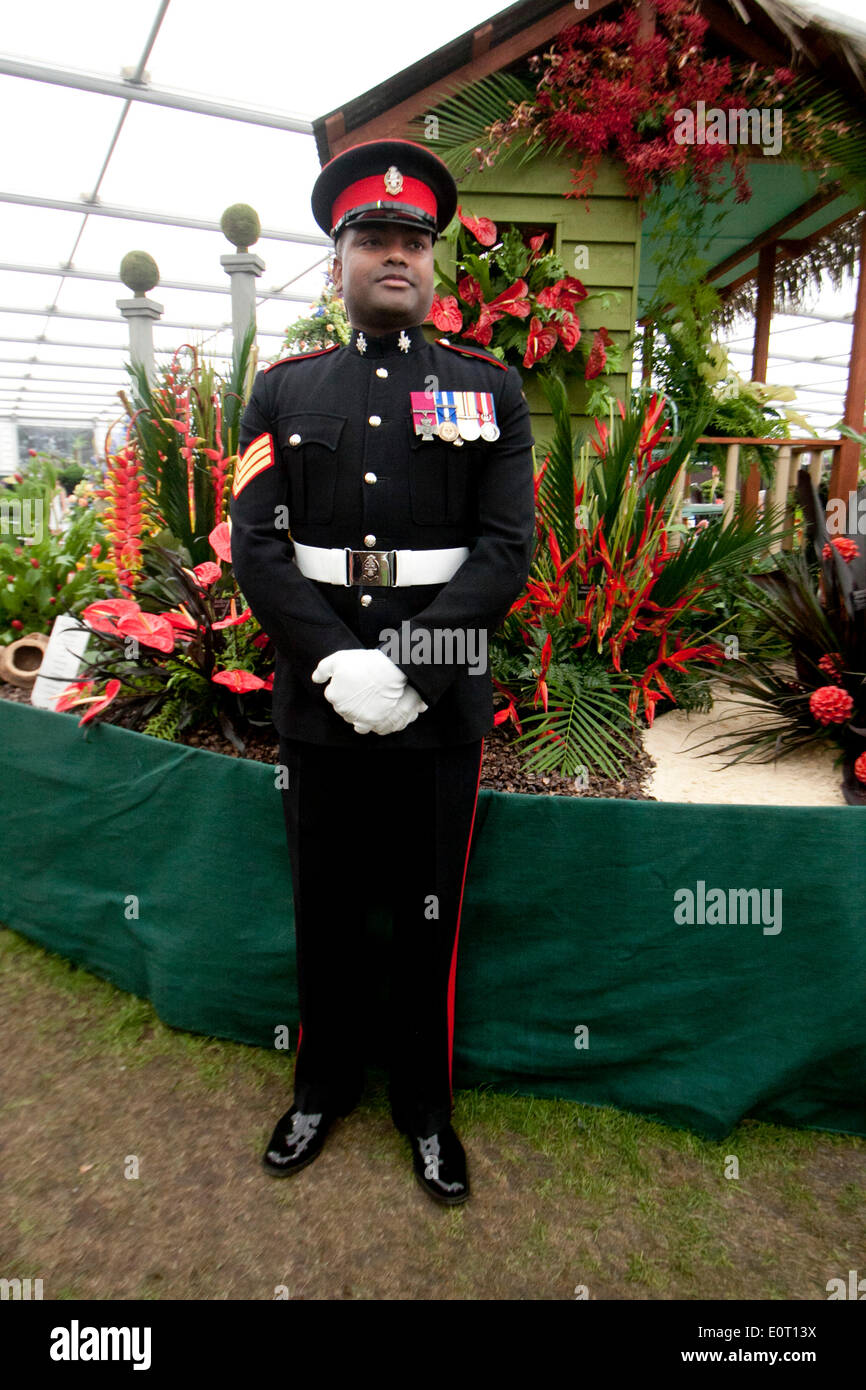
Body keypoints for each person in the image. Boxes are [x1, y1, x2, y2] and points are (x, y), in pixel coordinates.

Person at [229, 138, 536, 1205]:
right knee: (323, 903)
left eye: (411, 238)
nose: (393, 253)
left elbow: (503, 550)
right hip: (320, 705)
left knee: (424, 914)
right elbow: (258, 544)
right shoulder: (281, 391)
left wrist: (401, 667)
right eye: (372, 238)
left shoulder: (488, 392)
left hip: (436, 701)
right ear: (339, 261)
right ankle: (318, 1088)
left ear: (434, 260)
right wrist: (336, 665)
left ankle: (424, 1107)